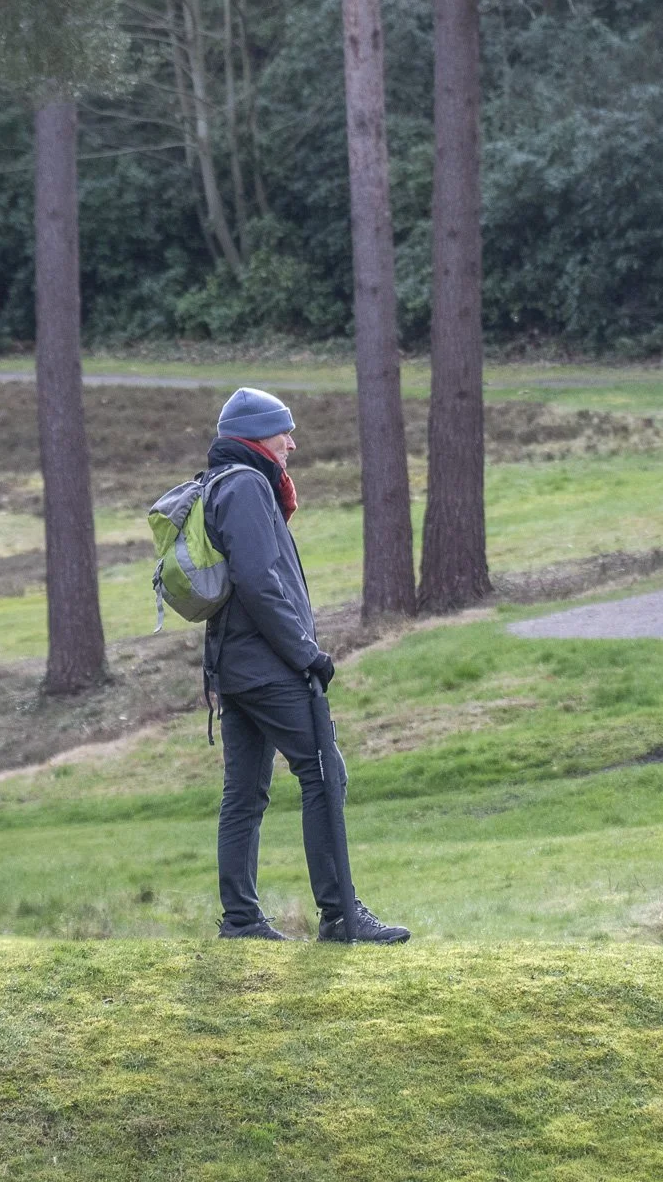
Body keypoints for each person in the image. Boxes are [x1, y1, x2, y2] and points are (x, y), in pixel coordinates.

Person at [203, 387, 410, 944]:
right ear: (255, 436)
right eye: (283, 432)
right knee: (323, 771)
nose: (292, 443)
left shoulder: (226, 482)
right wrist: (305, 653)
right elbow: (258, 581)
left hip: (234, 665)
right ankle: (340, 914)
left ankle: (241, 920)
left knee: (244, 792)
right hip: (264, 665)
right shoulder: (246, 486)